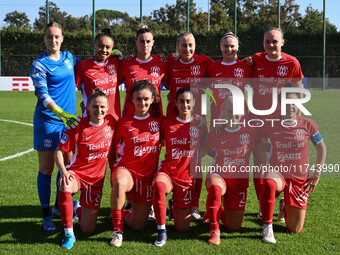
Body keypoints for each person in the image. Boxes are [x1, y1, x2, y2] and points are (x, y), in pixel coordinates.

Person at [29, 21, 80, 232]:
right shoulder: (39, 64)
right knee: (47, 168)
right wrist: (61, 113)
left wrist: (109, 53)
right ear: (44, 39)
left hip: (67, 124)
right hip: (48, 122)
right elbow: (42, 94)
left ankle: (60, 207)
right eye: (49, 37)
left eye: (57, 36)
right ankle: (45, 215)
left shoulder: (69, 58)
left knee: (66, 166)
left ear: (62, 38)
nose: (54, 40)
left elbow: (88, 66)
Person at [248, 27, 304, 217]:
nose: (271, 45)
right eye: (267, 41)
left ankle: (281, 201)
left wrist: (294, 116)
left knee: (283, 165)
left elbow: (298, 90)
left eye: (275, 41)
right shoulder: (256, 59)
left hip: (282, 124)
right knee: (260, 165)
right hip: (259, 122)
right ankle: (262, 206)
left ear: (282, 42)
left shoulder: (292, 62)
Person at [259, 92, 326, 243]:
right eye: (285, 103)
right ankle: (267, 229)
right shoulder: (271, 123)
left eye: (293, 103)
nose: (289, 106)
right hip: (278, 173)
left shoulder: (308, 125)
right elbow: (256, 139)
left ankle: (284, 206)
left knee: (295, 229)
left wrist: (316, 174)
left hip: (299, 179)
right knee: (269, 182)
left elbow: (321, 148)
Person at [55, 89, 117, 249]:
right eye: (95, 106)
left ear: (108, 107)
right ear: (87, 107)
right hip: (77, 174)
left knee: (88, 229)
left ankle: (76, 208)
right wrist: (63, 171)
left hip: (95, 181)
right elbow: (59, 151)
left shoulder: (112, 123)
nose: (99, 110)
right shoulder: (78, 126)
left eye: (102, 107)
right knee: (65, 185)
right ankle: (69, 234)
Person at [165, 32, 213, 219]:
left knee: (196, 160)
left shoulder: (205, 62)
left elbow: (223, 67)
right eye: (183, 45)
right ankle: (175, 200)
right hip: (175, 119)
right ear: (177, 47)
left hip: (197, 120)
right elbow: (166, 81)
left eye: (191, 45)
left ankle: (193, 204)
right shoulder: (170, 62)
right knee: (175, 158)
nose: (187, 49)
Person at [109, 80, 163, 247]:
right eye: (138, 99)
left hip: (146, 178)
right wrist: (114, 172)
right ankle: (117, 231)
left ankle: (124, 213)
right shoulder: (124, 122)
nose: (142, 103)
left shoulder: (160, 121)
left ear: (153, 99)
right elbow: (113, 150)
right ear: (131, 99)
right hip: (126, 170)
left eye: (146, 99)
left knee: (137, 226)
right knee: (119, 182)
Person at [152, 87, 207, 247]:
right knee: (159, 185)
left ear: (194, 103)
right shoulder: (167, 123)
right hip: (168, 172)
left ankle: (173, 206)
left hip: (187, 178)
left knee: (182, 229)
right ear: (175, 103)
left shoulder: (200, 124)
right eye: (181, 101)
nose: (185, 105)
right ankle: (161, 231)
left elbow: (207, 146)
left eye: (188, 101)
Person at [202, 97, 259, 245]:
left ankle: (213, 209)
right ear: (223, 112)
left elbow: (261, 148)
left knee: (234, 226)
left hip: (239, 180)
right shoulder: (217, 131)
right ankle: (215, 232)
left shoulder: (251, 130)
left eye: (236, 111)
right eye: (229, 110)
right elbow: (203, 151)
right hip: (218, 174)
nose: (232, 114)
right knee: (215, 188)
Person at [118, 24, 168, 116]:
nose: (145, 45)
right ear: (136, 42)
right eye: (142, 41)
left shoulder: (161, 62)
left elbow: (169, 85)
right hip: (130, 116)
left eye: (148, 41)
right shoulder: (126, 63)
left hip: (155, 117)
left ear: (153, 42)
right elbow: (112, 85)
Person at [206, 32, 252, 129]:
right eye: (226, 46)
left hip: (239, 117)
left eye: (232, 46)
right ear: (221, 47)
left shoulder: (246, 67)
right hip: (218, 117)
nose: (229, 49)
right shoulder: (212, 68)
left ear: (238, 47)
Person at [75, 28, 121, 121]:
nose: (104, 50)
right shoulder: (83, 66)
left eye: (108, 47)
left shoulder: (116, 62)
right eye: (100, 46)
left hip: (114, 120)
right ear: (94, 45)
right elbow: (70, 91)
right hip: (92, 120)